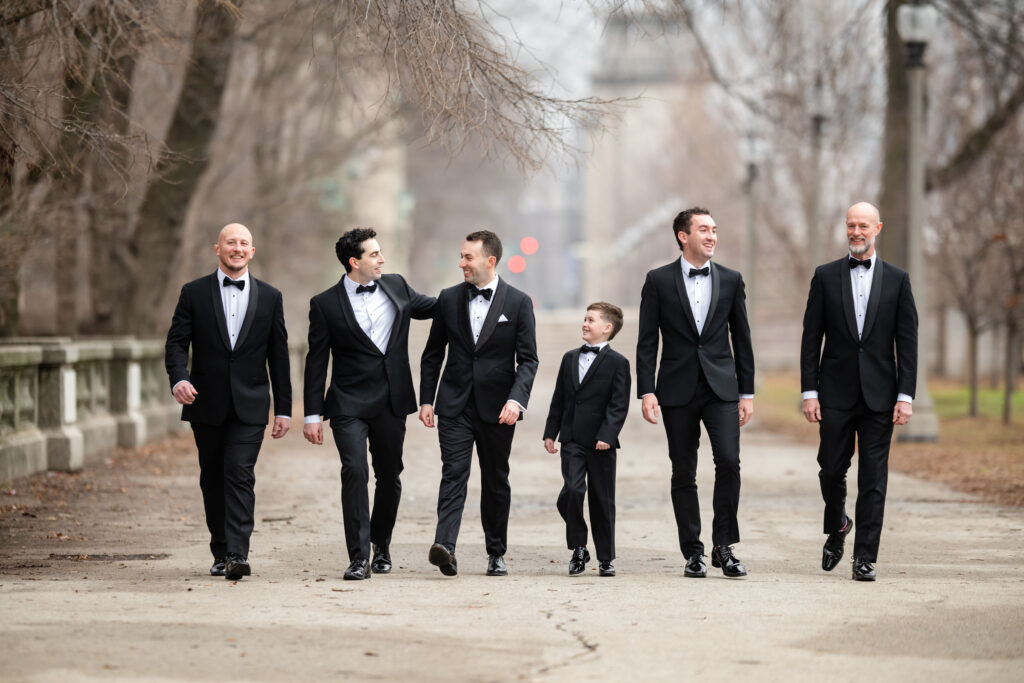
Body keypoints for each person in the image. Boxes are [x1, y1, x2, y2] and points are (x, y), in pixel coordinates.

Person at [302, 228, 435, 580]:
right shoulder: (324, 304)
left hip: (391, 400)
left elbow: (436, 307)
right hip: (347, 402)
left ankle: (381, 544)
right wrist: (312, 414)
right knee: (355, 471)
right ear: (354, 261)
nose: (382, 259)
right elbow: (316, 362)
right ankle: (358, 557)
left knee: (389, 475)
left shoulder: (397, 286)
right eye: (374, 254)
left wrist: (477, 287)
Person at [165, 223, 291, 581]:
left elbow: (278, 356)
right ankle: (220, 550)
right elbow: (176, 343)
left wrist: (284, 409)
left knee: (239, 473)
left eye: (244, 243)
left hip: (251, 404)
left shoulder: (271, 296)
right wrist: (180, 378)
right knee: (213, 478)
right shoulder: (193, 293)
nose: (237, 248)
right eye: (230, 242)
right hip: (206, 402)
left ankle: (237, 553)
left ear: (252, 251)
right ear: (217, 249)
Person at [800, 201, 917, 582]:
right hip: (834, 394)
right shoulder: (825, 276)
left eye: (863, 225)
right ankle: (838, 524)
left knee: (873, 478)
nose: (856, 232)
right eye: (851, 225)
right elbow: (811, 339)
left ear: (877, 228)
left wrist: (905, 396)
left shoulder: (898, 280)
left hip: (881, 396)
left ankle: (865, 557)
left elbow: (908, 343)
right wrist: (809, 391)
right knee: (831, 469)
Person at [636, 207, 755, 578]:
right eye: (703, 229)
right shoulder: (658, 280)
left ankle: (724, 545)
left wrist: (747, 392)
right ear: (683, 236)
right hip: (677, 389)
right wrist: (646, 391)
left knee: (729, 462)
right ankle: (693, 552)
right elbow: (646, 341)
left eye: (714, 230)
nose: (712, 236)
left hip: (722, 389)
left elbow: (743, 339)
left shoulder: (732, 280)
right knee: (683, 472)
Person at [419, 230, 538, 577]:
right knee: (453, 473)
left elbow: (528, 360)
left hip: (499, 409)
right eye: (461, 256)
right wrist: (426, 400)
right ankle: (445, 547)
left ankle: (496, 552)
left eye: (468, 257)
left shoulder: (519, 302)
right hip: (454, 405)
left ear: (490, 260)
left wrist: (517, 400)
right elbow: (432, 355)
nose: (461, 263)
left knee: (496, 480)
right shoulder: (448, 298)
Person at [543, 302, 631, 577]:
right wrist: (550, 432)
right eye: (584, 318)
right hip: (572, 439)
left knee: (602, 500)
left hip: (601, 442)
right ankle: (579, 547)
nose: (585, 323)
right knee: (572, 491)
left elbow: (619, 404)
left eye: (591, 320)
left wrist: (607, 435)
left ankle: (606, 558)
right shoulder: (569, 358)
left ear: (607, 328)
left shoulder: (619, 363)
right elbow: (559, 398)